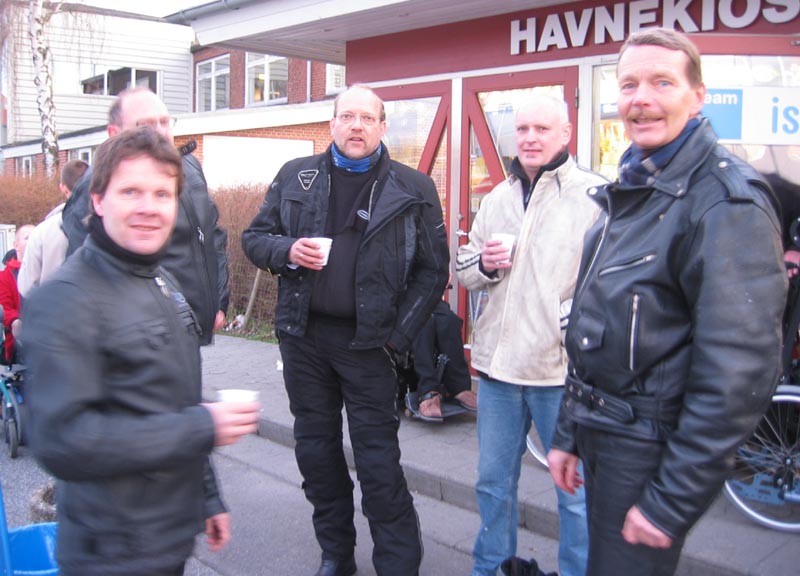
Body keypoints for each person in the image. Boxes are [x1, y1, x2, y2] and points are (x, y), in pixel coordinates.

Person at [547, 28, 787, 576]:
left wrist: (671, 501)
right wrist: (569, 434)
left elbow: (738, 373)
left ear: (697, 97)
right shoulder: (635, 184)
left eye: (662, 82)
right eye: (629, 84)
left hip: (650, 453)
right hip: (605, 433)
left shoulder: (725, 203)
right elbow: (595, 324)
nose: (642, 99)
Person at [22, 127, 260, 576]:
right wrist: (204, 426)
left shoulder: (160, 283)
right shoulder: (65, 299)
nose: (149, 207)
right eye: (131, 191)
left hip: (167, 538)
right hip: (110, 552)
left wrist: (207, 497)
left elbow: (176, 400)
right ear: (98, 200)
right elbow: (63, 441)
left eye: (162, 194)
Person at [242, 84, 449, 576]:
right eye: (347, 116)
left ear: (382, 127)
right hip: (304, 340)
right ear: (332, 123)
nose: (357, 126)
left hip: (372, 346)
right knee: (317, 456)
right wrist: (287, 251)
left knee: (378, 464)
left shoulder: (413, 187)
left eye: (367, 118)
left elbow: (432, 272)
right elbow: (255, 238)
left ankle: (397, 563)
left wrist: (397, 339)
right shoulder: (297, 175)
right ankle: (336, 554)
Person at [456, 94, 605, 576]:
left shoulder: (595, 196)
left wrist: (571, 320)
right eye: (522, 129)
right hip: (498, 371)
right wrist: (483, 263)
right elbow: (464, 269)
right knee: (492, 485)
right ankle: (491, 569)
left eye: (542, 129)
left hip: (560, 373)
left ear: (565, 133)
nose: (530, 138)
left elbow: (612, 283)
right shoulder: (497, 197)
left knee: (574, 493)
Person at [61, 87, 229, 345]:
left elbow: (211, 234)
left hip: (188, 326)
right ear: (114, 133)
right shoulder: (96, 186)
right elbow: (86, 268)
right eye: (146, 125)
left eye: (165, 122)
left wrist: (217, 301)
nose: (160, 132)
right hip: (140, 336)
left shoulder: (189, 168)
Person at [18, 159, 89, 296]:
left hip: (51, 304)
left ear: (63, 188)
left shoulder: (42, 232)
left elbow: (26, 286)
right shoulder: (108, 225)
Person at [412, 298, 477, 421]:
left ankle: (459, 387)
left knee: (449, 320)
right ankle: (428, 390)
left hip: (422, 295)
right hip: (396, 298)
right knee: (423, 321)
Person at [0, 224, 34, 363]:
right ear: (16, 245)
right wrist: (15, 321)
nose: (32, 241)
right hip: (20, 345)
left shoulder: (49, 271)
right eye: (27, 238)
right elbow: (5, 308)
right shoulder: (4, 277)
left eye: (36, 237)